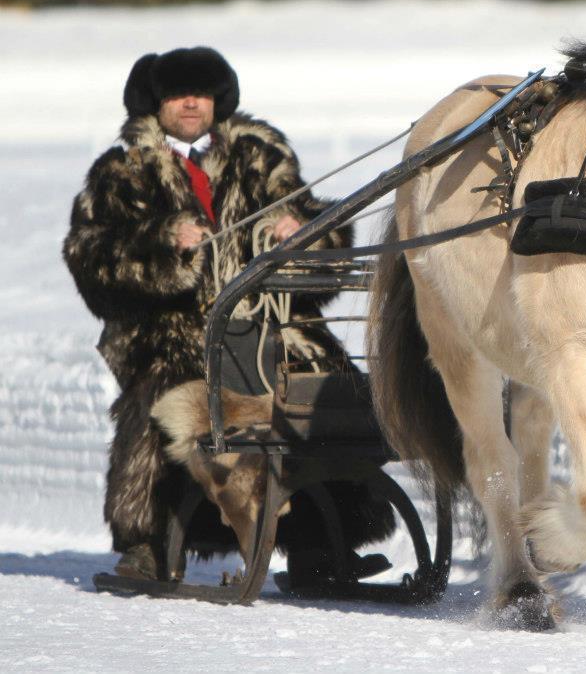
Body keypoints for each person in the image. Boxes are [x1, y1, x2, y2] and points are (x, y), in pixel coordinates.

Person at [63, 46, 394, 580]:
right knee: (165, 396)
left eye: (202, 92)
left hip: (270, 327)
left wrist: (302, 232)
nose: (192, 103)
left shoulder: (261, 156)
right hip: (170, 333)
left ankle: (323, 541)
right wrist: (165, 242)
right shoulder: (120, 172)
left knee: (323, 390)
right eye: (178, 94)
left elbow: (316, 227)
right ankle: (146, 544)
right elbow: (88, 255)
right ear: (157, 103)